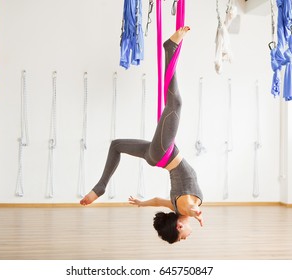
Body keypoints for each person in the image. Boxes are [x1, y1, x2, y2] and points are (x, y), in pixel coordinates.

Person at [80, 26, 203, 244]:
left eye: (181, 237)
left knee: (176, 103)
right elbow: (157, 200)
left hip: (163, 153)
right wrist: (141, 203)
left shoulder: (184, 207)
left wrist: (195, 212)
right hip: (156, 157)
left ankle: (170, 48)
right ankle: (100, 186)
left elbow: (191, 207)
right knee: (116, 144)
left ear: (179, 225)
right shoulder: (174, 207)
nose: (185, 238)